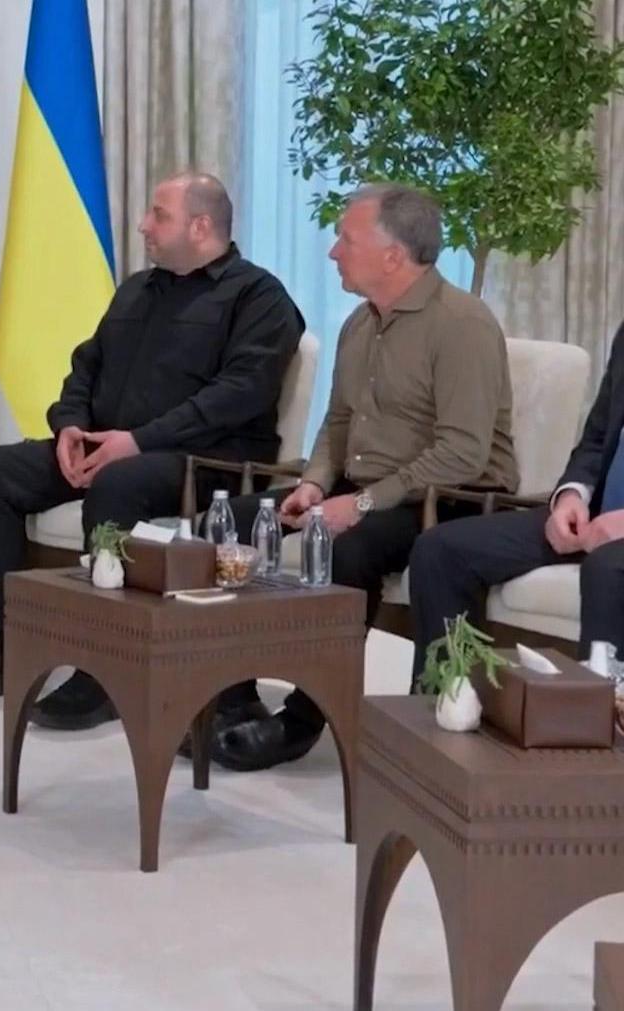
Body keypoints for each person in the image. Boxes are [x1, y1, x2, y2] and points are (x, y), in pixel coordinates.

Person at [0, 172, 305, 732]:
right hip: (107, 444)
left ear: (201, 226)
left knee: (117, 484)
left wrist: (139, 441)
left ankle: (103, 670)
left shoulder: (258, 298)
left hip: (201, 461)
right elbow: (86, 364)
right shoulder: (139, 289)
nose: (144, 225)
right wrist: (71, 427)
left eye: (159, 215)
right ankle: (2, 646)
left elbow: (239, 394)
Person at [211, 182, 519, 771]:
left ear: (393, 255)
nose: (332, 252)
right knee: (232, 522)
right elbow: (338, 422)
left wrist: (360, 505)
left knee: (347, 547)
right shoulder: (359, 323)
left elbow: (462, 452)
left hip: (450, 498)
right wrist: (314, 483)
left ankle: (304, 718)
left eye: (345, 240)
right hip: (366, 488)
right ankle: (232, 699)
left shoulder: (463, 324)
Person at [408, 318, 624, 676]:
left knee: (606, 570)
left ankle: (598, 710)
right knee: (440, 550)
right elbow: (597, 439)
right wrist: (570, 497)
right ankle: (449, 698)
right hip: (596, 517)